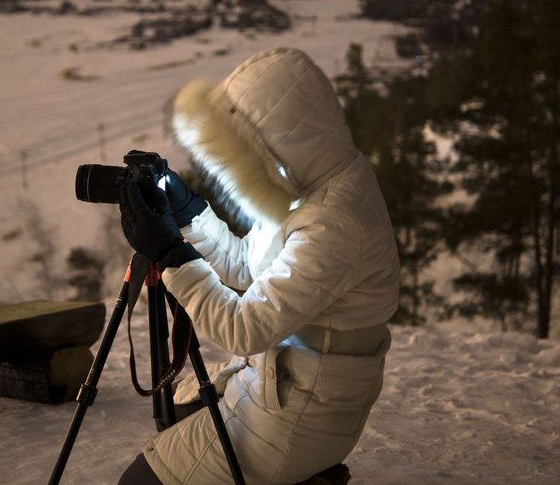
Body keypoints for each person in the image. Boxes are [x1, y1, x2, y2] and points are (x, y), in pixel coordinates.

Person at [117, 47, 400, 484]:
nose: (239, 166)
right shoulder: (310, 186)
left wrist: (173, 255)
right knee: (177, 413)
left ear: (275, 142)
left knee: (136, 483)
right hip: (284, 386)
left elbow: (244, 330)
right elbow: (247, 267)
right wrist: (191, 214)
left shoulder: (334, 223)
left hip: (297, 415)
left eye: (242, 152)